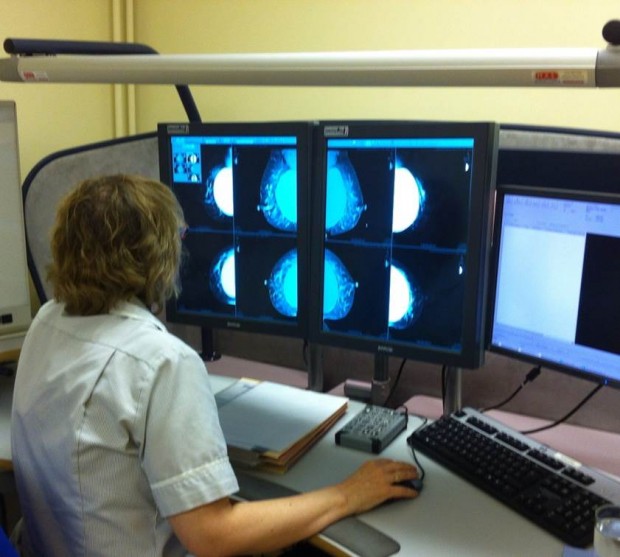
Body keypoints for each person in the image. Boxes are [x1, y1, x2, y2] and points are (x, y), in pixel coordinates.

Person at [11, 174, 420, 557]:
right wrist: (349, 493)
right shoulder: (162, 363)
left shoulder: (47, 322)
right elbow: (213, 535)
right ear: (158, 256)